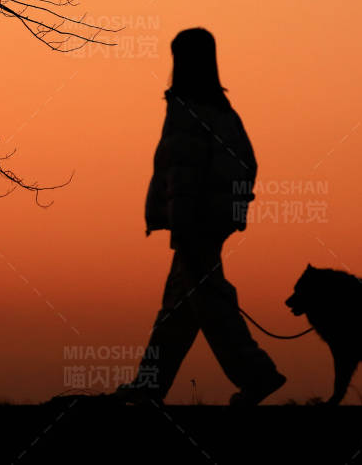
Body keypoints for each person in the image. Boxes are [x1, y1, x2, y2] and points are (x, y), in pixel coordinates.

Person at [114, 27, 286, 406]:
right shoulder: (223, 112)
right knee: (178, 307)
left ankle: (258, 375)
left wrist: (185, 221)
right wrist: (231, 213)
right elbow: (245, 166)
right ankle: (149, 384)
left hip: (195, 223)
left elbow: (182, 170)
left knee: (210, 301)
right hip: (209, 220)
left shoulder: (186, 109)